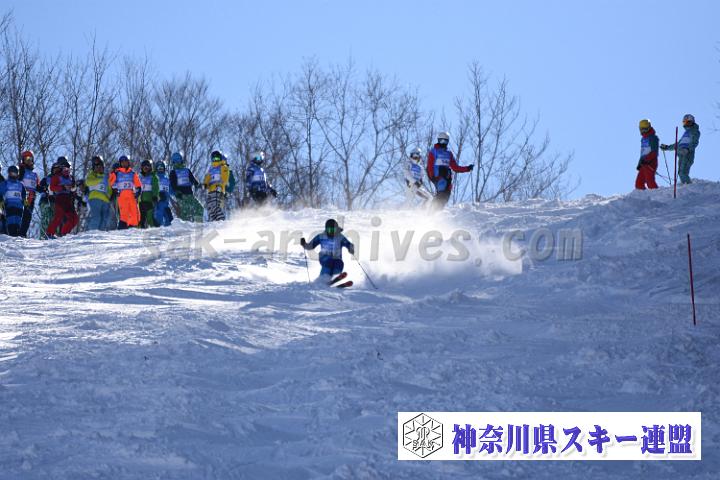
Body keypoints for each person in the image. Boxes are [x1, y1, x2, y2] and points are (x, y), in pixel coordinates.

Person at [426, 131, 473, 209]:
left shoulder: (448, 153)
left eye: (445, 141)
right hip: (438, 176)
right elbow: (429, 165)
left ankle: (436, 211)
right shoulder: (434, 151)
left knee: (446, 195)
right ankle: (431, 211)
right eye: (441, 141)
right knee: (441, 193)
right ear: (438, 140)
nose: (443, 143)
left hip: (447, 177)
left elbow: (455, 167)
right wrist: (432, 176)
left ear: (447, 141)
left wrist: (467, 168)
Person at [661, 114, 701, 185]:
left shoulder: (694, 131)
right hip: (681, 154)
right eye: (684, 122)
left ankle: (689, 186)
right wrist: (667, 147)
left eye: (688, 122)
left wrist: (687, 149)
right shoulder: (686, 133)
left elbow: (695, 142)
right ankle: (686, 185)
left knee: (683, 172)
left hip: (687, 154)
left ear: (692, 122)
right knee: (680, 173)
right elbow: (678, 144)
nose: (686, 124)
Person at [46, 158, 78, 238]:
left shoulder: (71, 178)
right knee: (58, 217)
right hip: (60, 199)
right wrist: (63, 187)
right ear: (61, 169)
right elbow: (52, 187)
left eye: (68, 170)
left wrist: (73, 188)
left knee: (74, 218)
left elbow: (74, 188)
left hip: (69, 200)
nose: (66, 171)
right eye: (64, 169)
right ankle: (49, 233)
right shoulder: (57, 177)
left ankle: (64, 233)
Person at [108, 155, 141, 229]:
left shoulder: (132, 173)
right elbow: (110, 182)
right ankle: (122, 228)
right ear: (120, 163)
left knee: (134, 213)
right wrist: (115, 189)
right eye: (122, 162)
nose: (124, 163)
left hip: (131, 195)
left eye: (125, 162)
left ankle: (132, 228)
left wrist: (138, 191)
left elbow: (138, 184)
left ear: (128, 162)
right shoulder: (117, 173)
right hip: (122, 196)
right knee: (124, 215)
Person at [169, 151, 204, 222]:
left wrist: (197, 185)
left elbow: (192, 179)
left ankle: (199, 225)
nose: (177, 162)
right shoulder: (173, 172)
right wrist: (177, 192)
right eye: (175, 161)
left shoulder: (187, 170)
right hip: (181, 196)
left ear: (181, 160)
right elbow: (173, 183)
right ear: (173, 162)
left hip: (190, 194)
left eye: (178, 160)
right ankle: (185, 227)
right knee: (186, 211)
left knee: (199, 208)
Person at [85, 155, 113, 231]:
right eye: (97, 167)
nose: (99, 168)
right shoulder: (92, 174)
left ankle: (101, 232)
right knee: (96, 217)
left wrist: (110, 195)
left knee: (105, 218)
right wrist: (99, 179)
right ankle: (92, 231)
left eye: (100, 167)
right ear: (94, 168)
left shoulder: (106, 177)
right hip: (95, 198)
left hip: (105, 200)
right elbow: (88, 182)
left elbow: (109, 188)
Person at [203, 150, 230, 221]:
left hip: (218, 189)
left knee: (215, 206)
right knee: (210, 207)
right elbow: (207, 178)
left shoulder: (223, 166)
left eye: (217, 158)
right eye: (214, 158)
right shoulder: (211, 169)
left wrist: (220, 185)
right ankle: (214, 221)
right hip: (211, 190)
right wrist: (205, 184)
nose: (215, 160)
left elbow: (225, 179)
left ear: (220, 158)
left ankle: (221, 220)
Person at [0, 165, 27, 237]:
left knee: (18, 222)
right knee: (11, 221)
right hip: (10, 205)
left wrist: (25, 203)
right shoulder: (6, 183)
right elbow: (0, 192)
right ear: (9, 173)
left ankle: (17, 236)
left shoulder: (20, 184)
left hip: (19, 206)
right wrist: (1, 201)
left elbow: (24, 194)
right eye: (12, 173)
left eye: (15, 173)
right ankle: (11, 235)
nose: (14, 175)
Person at [18, 150, 40, 237]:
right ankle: (15, 233)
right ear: (23, 160)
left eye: (30, 159)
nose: (28, 161)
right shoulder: (21, 170)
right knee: (20, 215)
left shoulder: (34, 174)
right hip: (22, 196)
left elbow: (36, 186)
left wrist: (43, 189)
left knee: (28, 217)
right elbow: (17, 180)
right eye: (26, 159)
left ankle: (22, 234)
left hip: (31, 197)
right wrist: (20, 171)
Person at [635, 119, 659, 190]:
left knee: (650, 181)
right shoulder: (643, 139)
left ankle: (657, 193)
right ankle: (643, 195)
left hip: (651, 162)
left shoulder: (653, 138)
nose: (643, 131)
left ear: (649, 127)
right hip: (643, 163)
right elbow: (643, 152)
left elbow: (654, 152)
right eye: (642, 129)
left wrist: (647, 160)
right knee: (639, 183)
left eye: (645, 129)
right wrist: (639, 163)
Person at [137, 159, 159, 228]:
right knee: (141, 218)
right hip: (141, 201)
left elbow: (155, 187)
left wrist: (155, 196)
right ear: (142, 168)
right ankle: (140, 231)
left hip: (149, 200)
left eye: (147, 167)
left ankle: (156, 230)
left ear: (150, 167)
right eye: (144, 167)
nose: (146, 168)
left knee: (150, 218)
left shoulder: (153, 176)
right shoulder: (139, 176)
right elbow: (136, 186)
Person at [153, 160, 174, 227]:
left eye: (162, 168)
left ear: (164, 169)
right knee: (158, 218)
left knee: (169, 220)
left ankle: (168, 231)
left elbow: (171, 191)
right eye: (159, 168)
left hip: (165, 204)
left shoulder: (167, 180)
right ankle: (157, 229)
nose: (160, 170)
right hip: (157, 204)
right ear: (156, 169)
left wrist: (178, 192)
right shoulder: (154, 179)